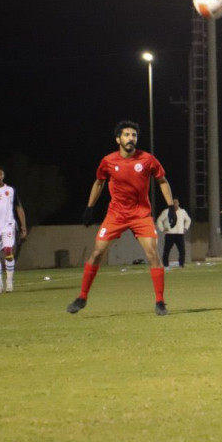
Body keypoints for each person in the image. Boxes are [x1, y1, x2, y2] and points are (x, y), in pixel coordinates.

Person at [66, 120, 177, 316]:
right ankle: (82, 297)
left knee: (153, 254)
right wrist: (89, 208)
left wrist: (170, 207)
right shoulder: (108, 161)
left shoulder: (148, 159)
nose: (130, 138)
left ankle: (160, 302)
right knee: (97, 253)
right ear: (118, 139)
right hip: (116, 214)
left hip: (141, 214)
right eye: (126, 135)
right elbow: (99, 183)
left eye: (133, 135)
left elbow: (162, 181)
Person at [156, 198, 191, 268]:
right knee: (167, 250)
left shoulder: (182, 212)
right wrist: (162, 229)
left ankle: (181, 264)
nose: (175, 204)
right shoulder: (166, 212)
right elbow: (159, 220)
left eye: (176, 203)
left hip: (180, 234)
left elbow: (188, 220)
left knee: (182, 250)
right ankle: (165, 264)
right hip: (170, 234)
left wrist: (185, 228)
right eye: (173, 203)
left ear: (178, 203)